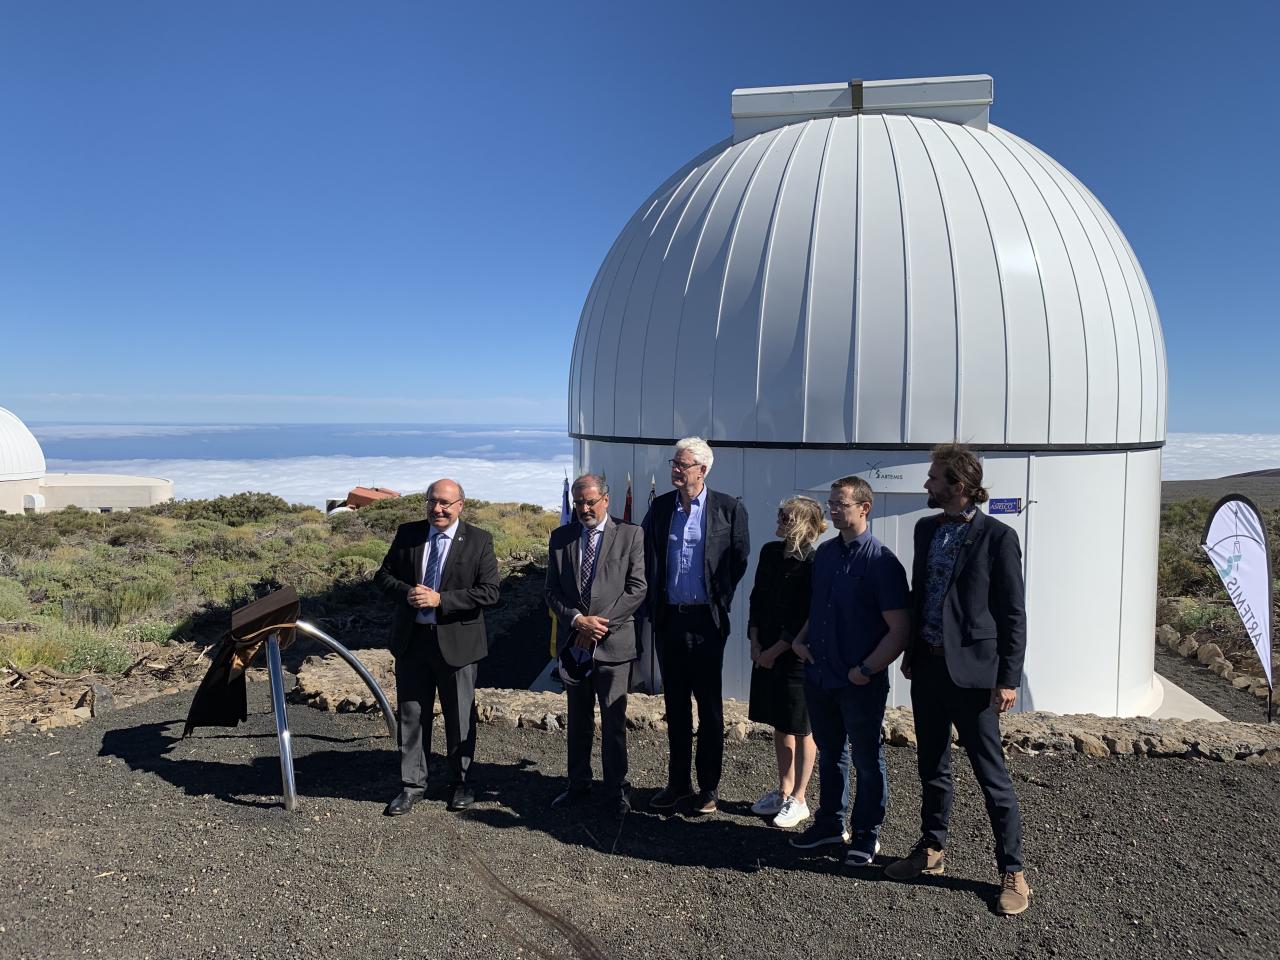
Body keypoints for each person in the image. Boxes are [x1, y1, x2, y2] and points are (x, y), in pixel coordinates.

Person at [882, 444, 1031, 916]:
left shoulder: (998, 538)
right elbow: (919, 594)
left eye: (933, 478)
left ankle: (1013, 869)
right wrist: (907, 651)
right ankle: (932, 849)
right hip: (927, 667)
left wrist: (1007, 679)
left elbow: (1012, 614)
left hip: (974, 675)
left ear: (959, 487)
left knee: (992, 775)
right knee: (932, 766)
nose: (926, 485)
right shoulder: (926, 529)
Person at [791, 476, 909, 867]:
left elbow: (899, 629)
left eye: (840, 504)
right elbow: (817, 609)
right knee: (830, 753)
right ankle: (829, 823)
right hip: (821, 675)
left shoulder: (881, 562)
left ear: (864, 507)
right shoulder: (825, 554)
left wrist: (866, 669)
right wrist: (800, 641)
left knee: (866, 758)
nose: (833, 510)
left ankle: (866, 835)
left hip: (859, 682)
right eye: (831, 503)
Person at [377, 478, 500, 816]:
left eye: (445, 503)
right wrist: (407, 593)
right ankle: (412, 784)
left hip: (457, 645)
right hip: (413, 642)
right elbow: (382, 577)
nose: (438, 509)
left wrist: (441, 599)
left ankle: (461, 782)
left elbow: (490, 592)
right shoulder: (409, 534)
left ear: (461, 504)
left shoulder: (478, 540)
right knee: (412, 716)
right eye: (432, 501)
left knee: (459, 717)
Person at [641, 437, 749, 815]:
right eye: (674, 462)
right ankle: (678, 783)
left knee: (710, 707)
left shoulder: (727, 509)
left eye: (681, 464)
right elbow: (646, 557)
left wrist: (718, 599)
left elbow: (737, 560)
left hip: (706, 622)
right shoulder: (660, 509)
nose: (674, 469)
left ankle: (708, 787)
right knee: (675, 705)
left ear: (702, 470)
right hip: (670, 620)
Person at [544, 474, 647, 819]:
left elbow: (637, 588)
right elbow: (551, 590)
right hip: (575, 645)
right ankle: (578, 784)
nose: (584, 509)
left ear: (606, 499)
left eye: (590, 502)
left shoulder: (630, 535)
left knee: (613, 720)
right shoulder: (561, 538)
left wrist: (599, 625)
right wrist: (577, 621)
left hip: (614, 645)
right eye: (578, 503)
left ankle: (617, 789)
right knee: (578, 719)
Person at [747, 496, 826, 830]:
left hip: (794, 656)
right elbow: (757, 597)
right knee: (780, 723)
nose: (779, 519)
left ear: (804, 524)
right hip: (764, 648)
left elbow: (804, 613)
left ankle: (800, 797)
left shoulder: (813, 562)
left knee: (801, 726)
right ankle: (783, 789)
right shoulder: (769, 552)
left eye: (786, 516)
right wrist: (754, 640)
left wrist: (775, 650)